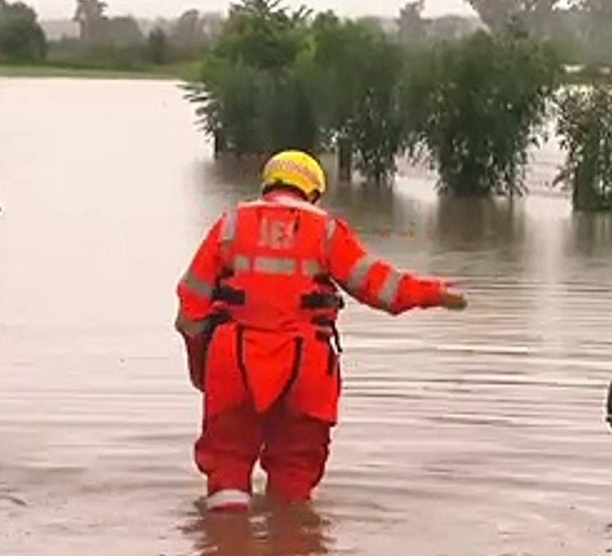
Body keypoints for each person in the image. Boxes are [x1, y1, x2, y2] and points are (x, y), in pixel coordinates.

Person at [174, 149, 467, 511]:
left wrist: (203, 371)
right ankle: (292, 553)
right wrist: (434, 292)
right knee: (295, 474)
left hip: (233, 361)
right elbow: (381, 288)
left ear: (268, 183)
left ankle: (224, 551)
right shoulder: (326, 230)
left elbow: (190, 310)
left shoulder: (229, 226)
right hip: (305, 367)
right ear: (313, 191)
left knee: (228, 467)